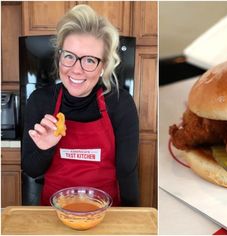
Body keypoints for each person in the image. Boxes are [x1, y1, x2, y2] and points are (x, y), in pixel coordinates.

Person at [22, 4, 140, 207]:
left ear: (102, 66)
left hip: (106, 213)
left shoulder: (120, 104)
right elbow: (31, 170)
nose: (76, 70)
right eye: (69, 56)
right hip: (54, 213)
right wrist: (45, 148)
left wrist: (135, 222)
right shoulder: (40, 101)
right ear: (60, 58)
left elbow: (127, 172)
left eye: (89, 60)